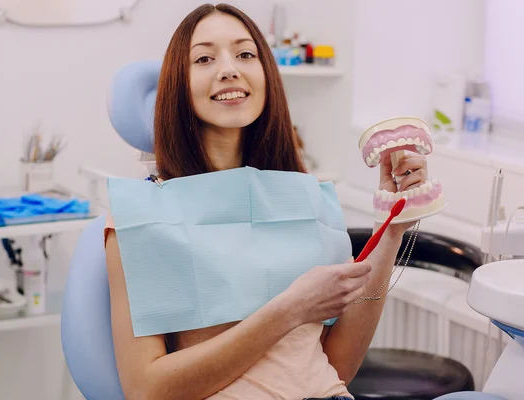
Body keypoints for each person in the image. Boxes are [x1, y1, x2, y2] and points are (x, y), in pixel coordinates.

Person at [104, 3, 428, 399]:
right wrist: (289, 309)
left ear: (267, 76)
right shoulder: (140, 218)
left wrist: (389, 229)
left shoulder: (303, 198)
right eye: (204, 58)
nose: (229, 69)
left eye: (245, 54)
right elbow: (147, 391)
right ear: (178, 85)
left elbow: (338, 365)